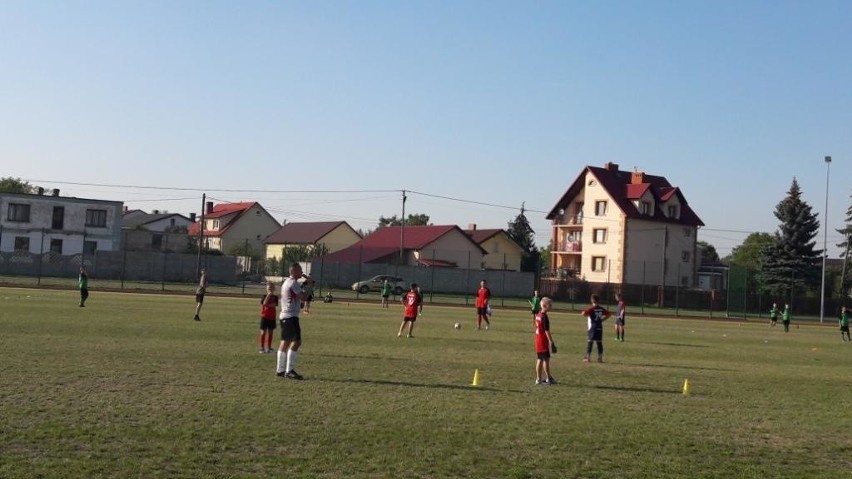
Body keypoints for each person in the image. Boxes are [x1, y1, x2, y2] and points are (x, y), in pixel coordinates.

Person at [276, 263, 308, 380]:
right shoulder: (293, 283)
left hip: (285, 315)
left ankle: (280, 370)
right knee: (296, 342)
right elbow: (304, 297)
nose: (302, 272)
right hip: (290, 317)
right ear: (293, 272)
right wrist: (309, 285)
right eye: (300, 270)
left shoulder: (287, 282)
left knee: (285, 342)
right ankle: (289, 370)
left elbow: (297, 301)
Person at [534, 297, 557, 385]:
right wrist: (551, 342)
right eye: (549, 305)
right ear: (544, 306)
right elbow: (546, 331)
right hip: (542, 341)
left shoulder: (539, 314)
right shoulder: (544, 317)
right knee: (542, 359)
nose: (551, 307)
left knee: (544, 359)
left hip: (538, 339)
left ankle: (548, 378)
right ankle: (539, 379)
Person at [582, 294, 610, 363]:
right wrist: (602, 320)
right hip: (599, 327)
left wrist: (585, 314)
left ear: (592, 300)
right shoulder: (601, 308)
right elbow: (609, 314)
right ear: (598, 300)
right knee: (599, 343)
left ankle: (588, 358)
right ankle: (600, 358)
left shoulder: (592, 308)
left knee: (590, 342)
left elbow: (584, 314)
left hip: (593, 327)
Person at [259, 283, 278, 353]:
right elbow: (264, 303)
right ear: (266, 289)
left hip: (272, 317)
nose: (270, 289)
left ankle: (269, 348)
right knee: (263, 332)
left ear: (274, 289)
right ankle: (262, 348)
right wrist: (268, 295)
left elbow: (274, 305)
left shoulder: (275, 297)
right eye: (269, 287)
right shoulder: (264, 296)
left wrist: (268, 304)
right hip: (264, 316)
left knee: (270, 332)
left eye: (271, 287)